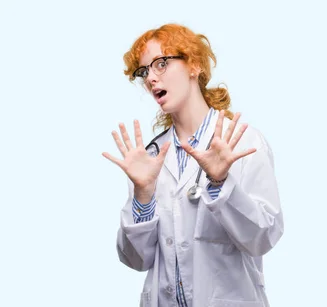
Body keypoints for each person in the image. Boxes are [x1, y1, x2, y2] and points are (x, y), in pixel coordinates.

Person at [102, 23, 284, 307]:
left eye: (160, 64)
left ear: (194, 65)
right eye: (144, 71)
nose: (150, 78)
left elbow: (262, 238)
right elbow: (136, 260)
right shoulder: (149, 158)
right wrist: (142, 195)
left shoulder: (243, 141)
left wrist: (221, 183)